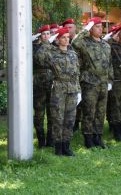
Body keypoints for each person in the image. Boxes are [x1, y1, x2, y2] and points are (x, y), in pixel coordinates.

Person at [34, 27, 81, 156]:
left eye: (67, 37)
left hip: (72, 89)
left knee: (70, 119)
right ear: (58, 40)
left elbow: (77, 73)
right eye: (63, 37)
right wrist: (48, 42)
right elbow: (39, 57)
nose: (66, 39)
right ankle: (58, 147)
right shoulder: (52, 53)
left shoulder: (72, 53)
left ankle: (66, 146)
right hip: (59, 89)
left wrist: (79, 90)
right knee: (58, 119)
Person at [72, 17, 113, 149]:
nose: (100, 29)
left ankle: (98, 137)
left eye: (101, 26)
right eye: (97, 26)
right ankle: (88, 138)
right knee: (89, 111)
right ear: (90, 29)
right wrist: (86, 28)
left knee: (101, 112)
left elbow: (110, 64)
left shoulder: (106, 45)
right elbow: (74, 42)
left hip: (103, 83)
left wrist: (110, 80)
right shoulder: (84, 43)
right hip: (90, 83)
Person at [32, 25, 54, 148]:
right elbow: (38, 60)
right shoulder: (35, 48)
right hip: (39, 83)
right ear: (40, 36)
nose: (46, 36)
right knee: (39, 113)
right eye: (44, 34)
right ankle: (41, 140)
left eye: (48, 34)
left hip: (51, 82)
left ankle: (50, 139)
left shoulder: (53, 48)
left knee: (52, 112)